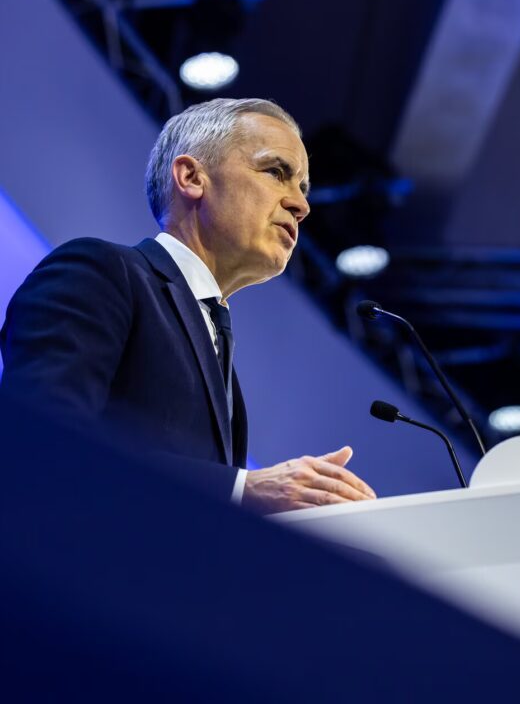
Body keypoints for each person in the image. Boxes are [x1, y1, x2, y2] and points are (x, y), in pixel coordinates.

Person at [0, 98, 376, 513]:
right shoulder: (100, 272)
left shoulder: (221, 355)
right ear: (192, 177)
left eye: (302, 189)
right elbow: (40, 439)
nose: (301, 206)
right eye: (276, 172)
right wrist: (240, 489)